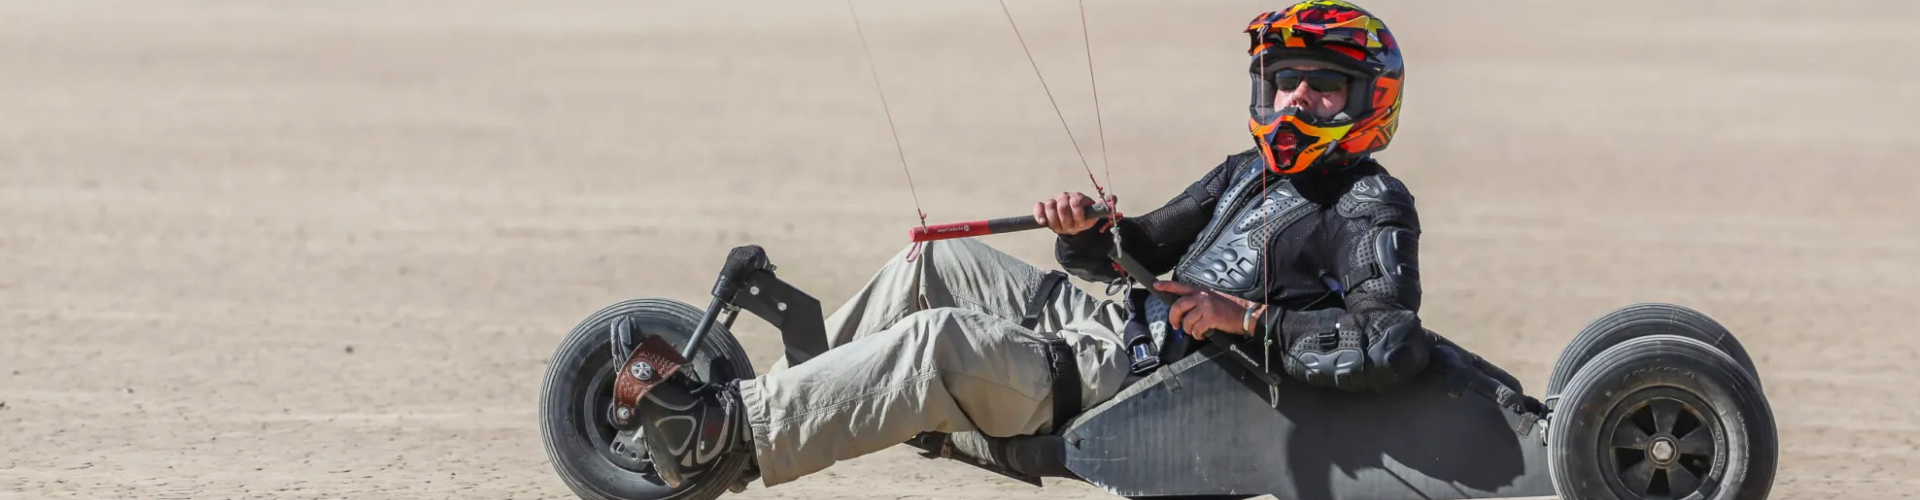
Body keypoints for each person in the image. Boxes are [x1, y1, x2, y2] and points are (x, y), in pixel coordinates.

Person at [625, 0, 1431, 492]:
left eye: (1322, 84)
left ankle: (723, 433)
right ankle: (769, 407)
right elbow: (1137, 248)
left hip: (1139, 386)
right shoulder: (1244, 170)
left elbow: (1389, 346)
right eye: (1285, 79)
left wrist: (1242, 317)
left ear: (1369, 101)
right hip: (1116, 332)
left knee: (938, 344)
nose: (1296, 99)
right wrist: (1087, 234)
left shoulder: (1370, 205)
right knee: (933, 267)